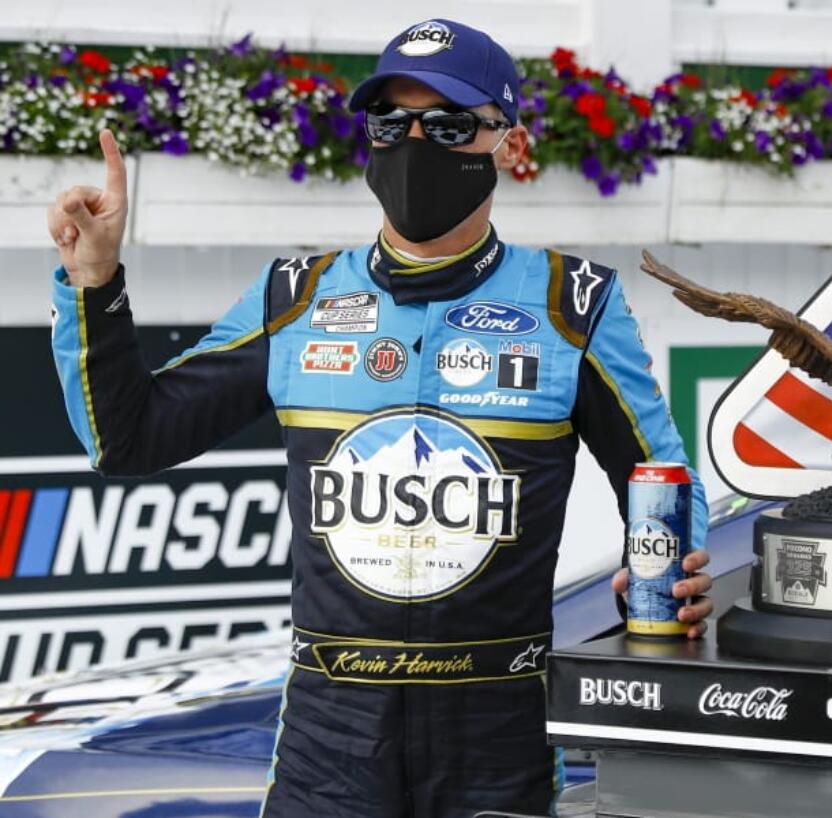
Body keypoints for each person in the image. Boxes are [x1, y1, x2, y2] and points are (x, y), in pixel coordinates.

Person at [45, 17, 711, 818]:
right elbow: (127, 439)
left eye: (451, 123)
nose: (416, 141)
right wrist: (94, 280)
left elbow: (663, 478)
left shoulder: (573, 306)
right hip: (332, 731)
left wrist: (680, 570)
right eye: (392, 122)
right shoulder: (296, 297)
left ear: (507, 141)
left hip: (498, 727)